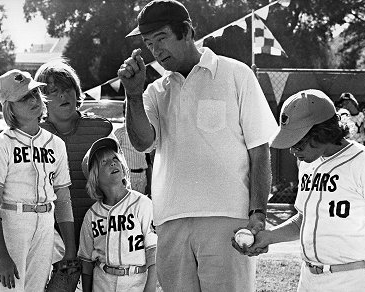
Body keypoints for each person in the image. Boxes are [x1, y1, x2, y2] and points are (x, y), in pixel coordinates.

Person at [118, 0, 277, 291]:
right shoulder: (154, 91)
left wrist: (258, 213)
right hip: (169, 220)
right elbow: (142, 143)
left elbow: (259, 150)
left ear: (188, 31)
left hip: (228, 218)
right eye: (149, 43)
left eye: (162, 38)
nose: (156, 50)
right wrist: (132, 93)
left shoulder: (236, 74)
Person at [235, 89, 365, 291]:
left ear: (322, 132)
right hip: (308, 279)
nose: (292, 150)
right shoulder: (307, 163)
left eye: (298, 142)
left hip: (351, 279)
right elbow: (305, 219)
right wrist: (269, 237)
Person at [0, 69, 76, 291]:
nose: (33, 100)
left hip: (45, 224)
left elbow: (63, 198)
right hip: (13, 223)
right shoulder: (0, 145)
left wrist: (69, 250)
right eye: (23, 98)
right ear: (9, 107)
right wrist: (2, 255)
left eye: (34, 93)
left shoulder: (55, 144)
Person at [35, 59, 114, 251]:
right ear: (41, 98)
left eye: (68, 88)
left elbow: (118, 180)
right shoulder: (33, 134)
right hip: (51, 234)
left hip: (98, 229)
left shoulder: (100, 129)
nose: (63, 95)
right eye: (54, 91)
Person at [78, 137, 157, 292]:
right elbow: (86, 261)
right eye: (104, 162)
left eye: (115, 158)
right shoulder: (92, 215)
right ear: (95, 178)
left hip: (136, 282)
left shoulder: (142, 204)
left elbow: (154, 251)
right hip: (103, 283)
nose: (112, 163)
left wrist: (150, 288)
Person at [114, 102, 152, 196]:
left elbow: (148, 161)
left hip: (142, 177)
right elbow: (114, 156)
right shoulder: (120, 133)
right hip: (128, 176)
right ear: (125, 113)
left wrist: (150, 183)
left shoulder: (144, 135)